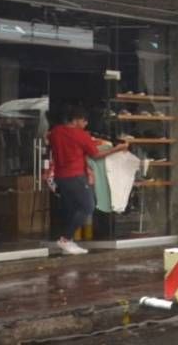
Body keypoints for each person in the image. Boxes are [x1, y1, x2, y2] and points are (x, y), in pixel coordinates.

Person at [47, 106, 127, 255]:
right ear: (77, 120)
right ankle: (66, 239)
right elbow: (96, 155)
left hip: (60, 177)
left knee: (72, 208)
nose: (85, 124)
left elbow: (53, 139)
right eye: (84, 121)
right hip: (76, 176)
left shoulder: (56, 132)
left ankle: (67, 242)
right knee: (87, 207)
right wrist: (118, 148)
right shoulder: (81, 135)